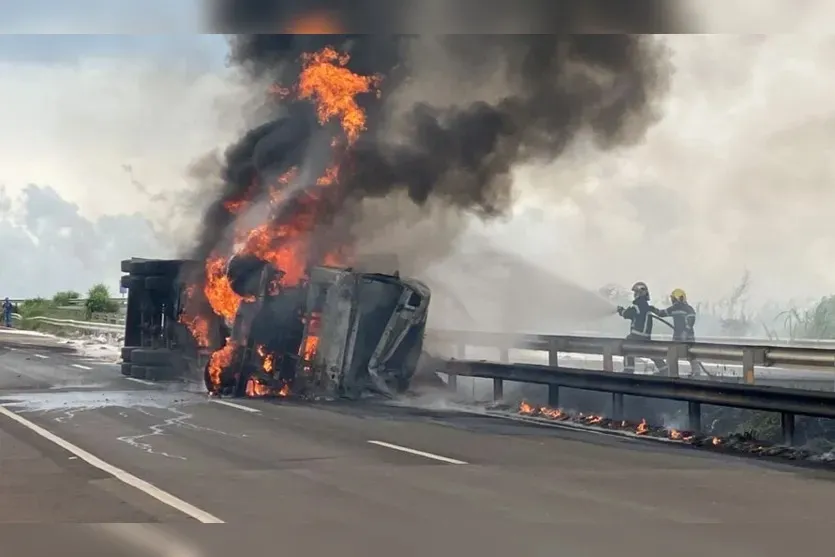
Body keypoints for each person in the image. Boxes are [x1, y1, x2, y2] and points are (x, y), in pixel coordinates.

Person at [617, 282, 668, 374]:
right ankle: (665, 370)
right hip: (647, 338)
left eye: (635, 293)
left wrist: (620, 310)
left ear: (639, 293)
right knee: (652, 352)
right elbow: (659, 313)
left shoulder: (636, 306)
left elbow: (626, 314)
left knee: (626, 347)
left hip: (636, 337)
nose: (634, 295)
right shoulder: (648, 307)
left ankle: (629, 369)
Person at [656, 288, 709, 376]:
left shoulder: (685, 308)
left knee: (685, 354)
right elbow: (662, 313)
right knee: (688, 354)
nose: (672, 301)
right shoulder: (683, 308)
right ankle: (692, 372)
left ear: (678, 298)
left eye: (673, 299)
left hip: (686, 337)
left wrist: (685, 331)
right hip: (680, 337)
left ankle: (676, 372)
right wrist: (651, 309)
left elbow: (691, 319)